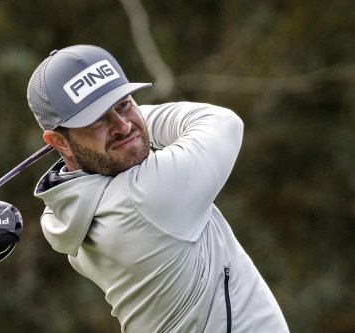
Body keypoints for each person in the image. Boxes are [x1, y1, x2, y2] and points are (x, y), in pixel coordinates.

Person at [27, 45, 289, 333]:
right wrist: (136, 119)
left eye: (123, 104)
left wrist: (104, 125)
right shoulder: (145, 197)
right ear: (59, 142)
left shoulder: (63, 215)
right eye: (97, 119)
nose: (122, 126)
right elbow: (223, 122)